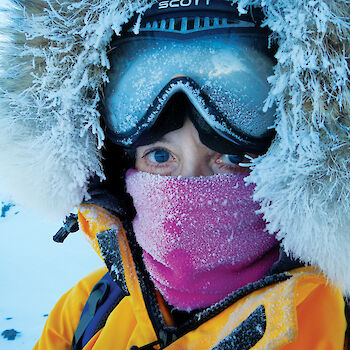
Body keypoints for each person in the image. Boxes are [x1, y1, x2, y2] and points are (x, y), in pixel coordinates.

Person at [0, 0, 349, 349]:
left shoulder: (339, 324)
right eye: (161, 156)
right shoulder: (83, 315)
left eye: (231, 157)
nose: (191, 186)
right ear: (120, 167)